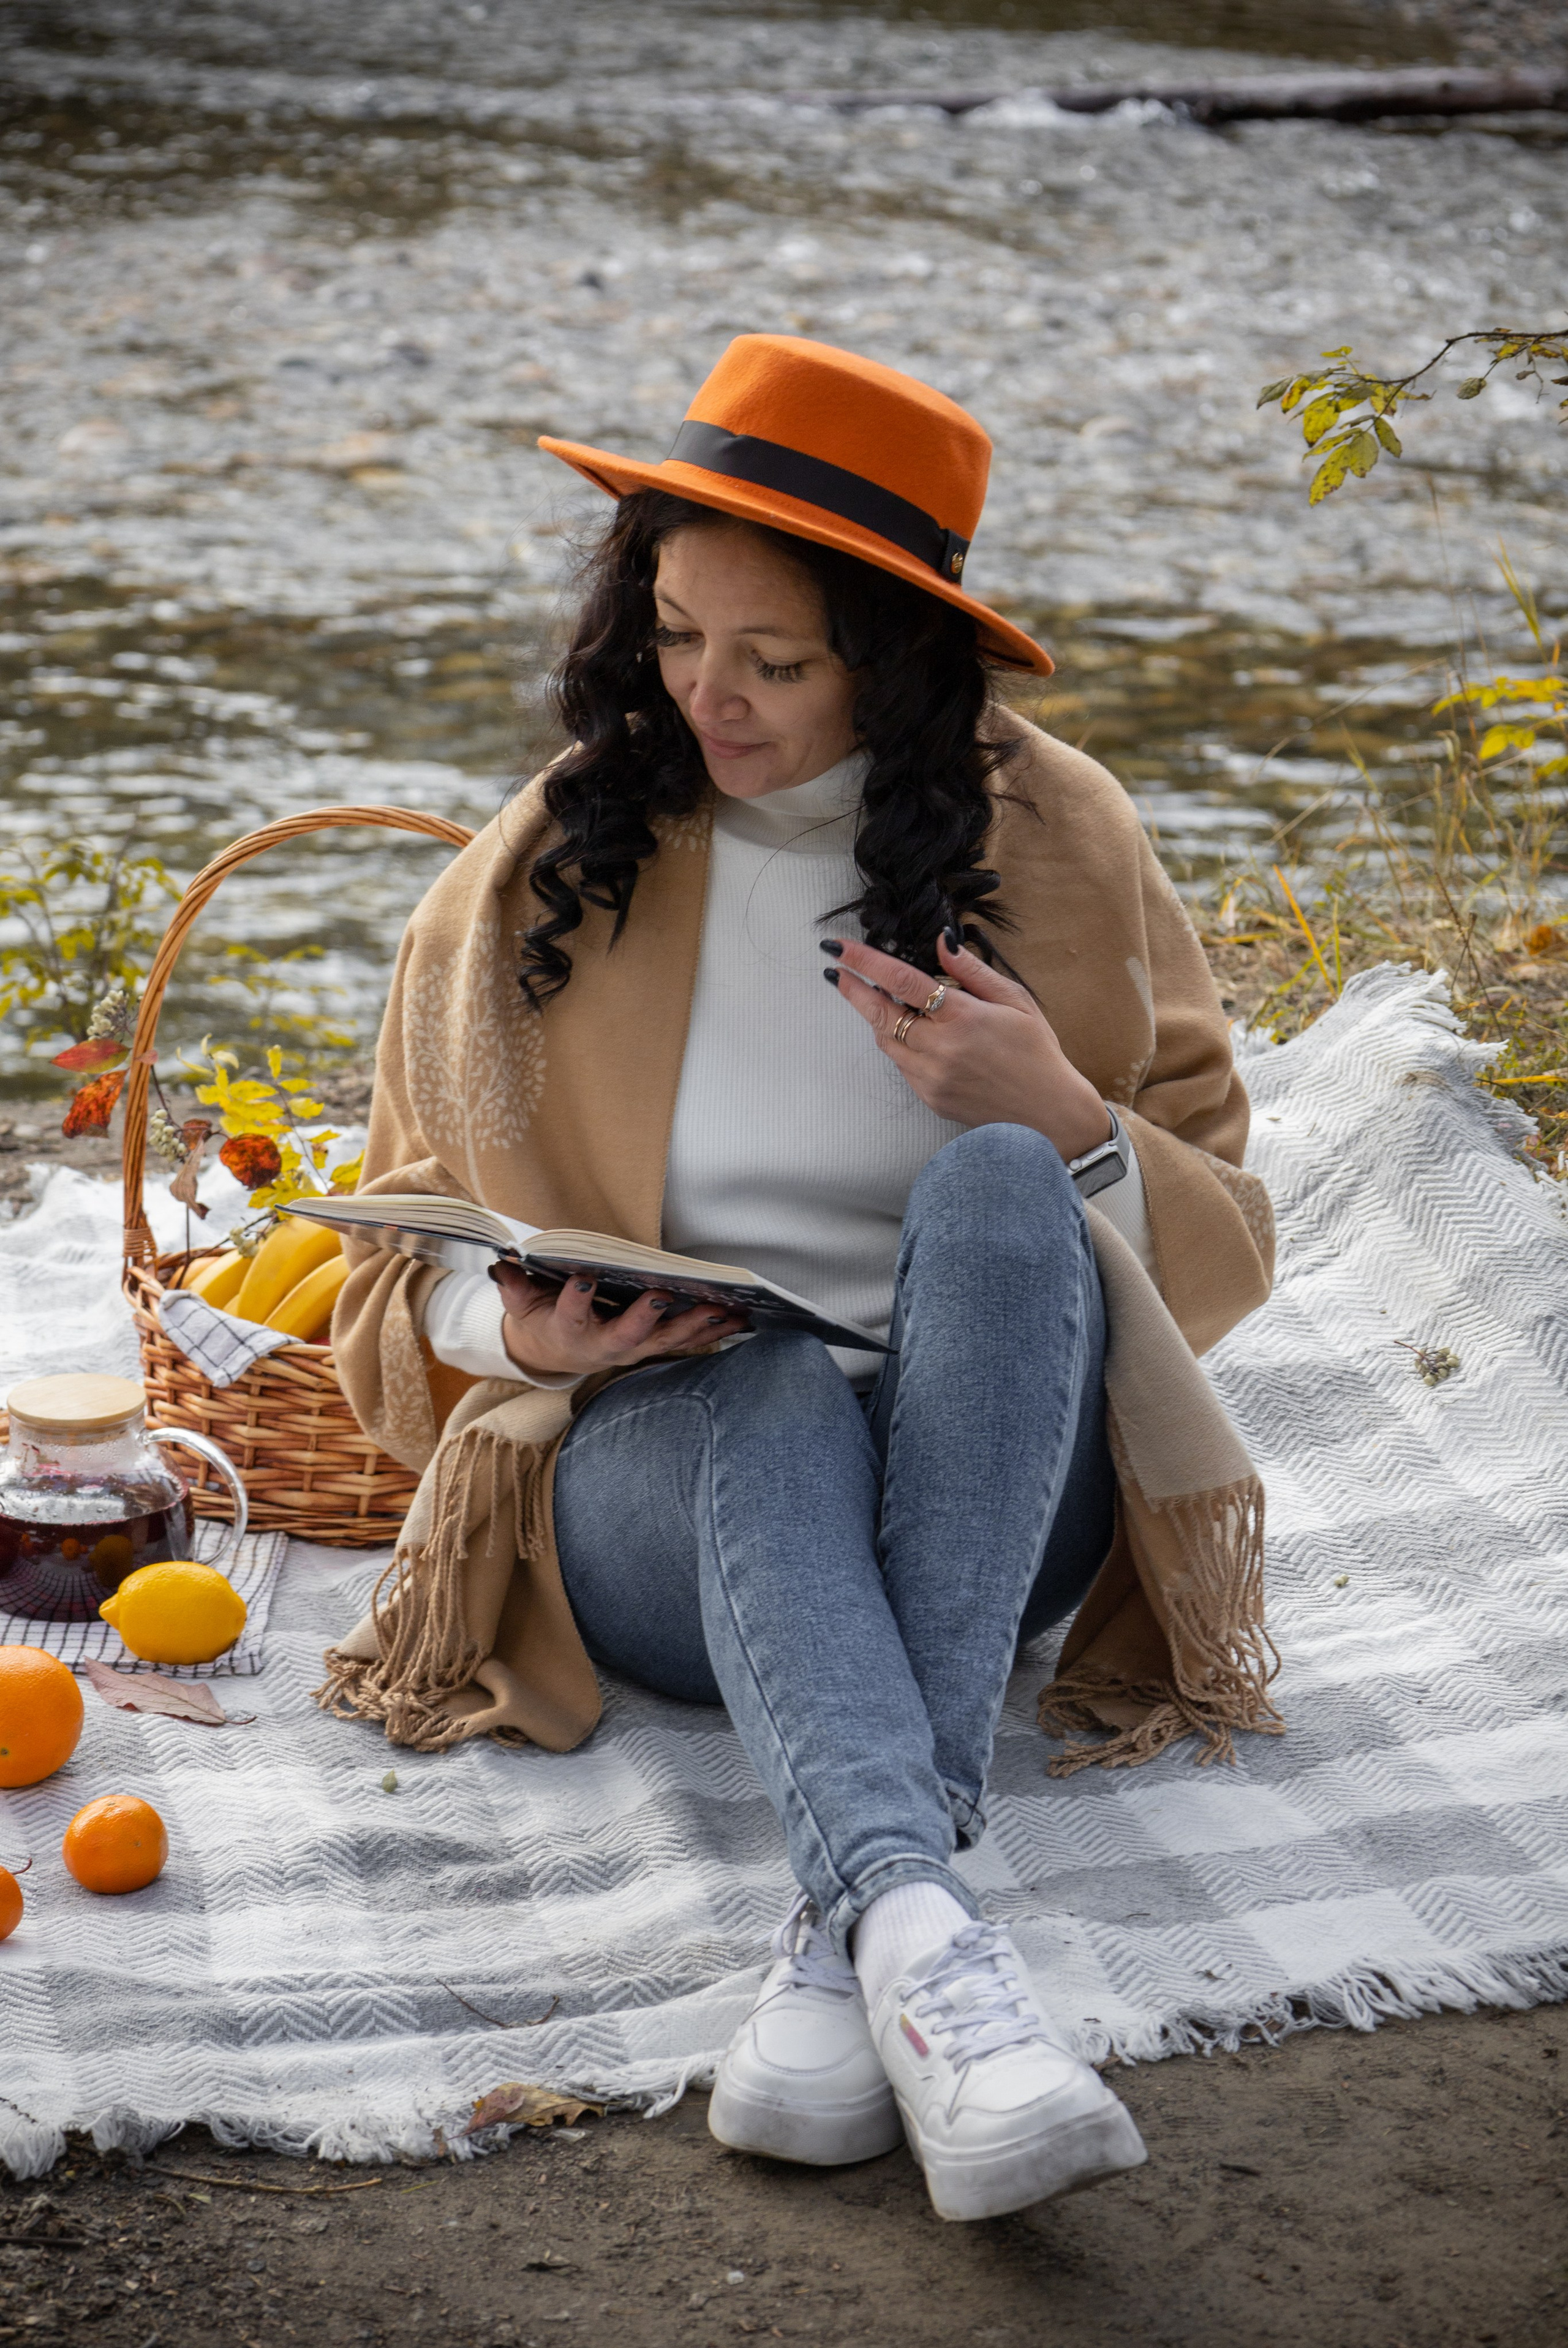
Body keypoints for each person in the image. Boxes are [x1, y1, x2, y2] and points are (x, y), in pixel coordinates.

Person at [322, 334, 1277, 2224]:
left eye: (777, 661)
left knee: (1009, 1186)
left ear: (898, 657)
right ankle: (932, 1949)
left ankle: (851, 1949)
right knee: (756, 1385)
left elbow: (1231, 1245)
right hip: (656, 1486)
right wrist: (500, 1327)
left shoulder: (1064, 841)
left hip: (998, 1494)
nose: (710, 700)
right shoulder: (552, 864)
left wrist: (1072, 1113)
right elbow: (382, 1255)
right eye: (678, 638)